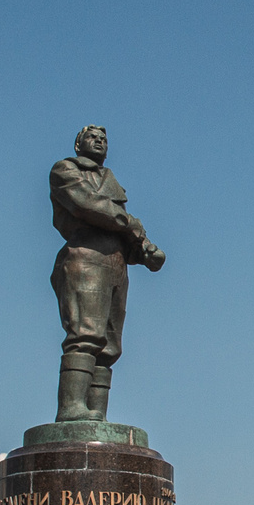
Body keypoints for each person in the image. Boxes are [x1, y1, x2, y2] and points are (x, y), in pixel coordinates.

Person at [47, 125, 164, 422]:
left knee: (109, 345)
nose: (99, 142)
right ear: (78, 144)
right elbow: (88, 206)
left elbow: (118, 230)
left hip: (116, 264)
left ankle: (96, 414)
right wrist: (131, 223)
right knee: (85, 334)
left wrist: (144, 251)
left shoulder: (110, 179)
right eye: (92, 137)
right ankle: (71, 406)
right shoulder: (65, 170)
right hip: (85, 256)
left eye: (104, 139)